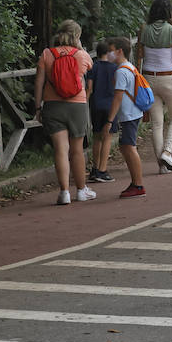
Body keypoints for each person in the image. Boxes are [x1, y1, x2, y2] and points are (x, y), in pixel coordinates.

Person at [34, 19, 96, 205]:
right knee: (77, 150)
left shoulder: (47, 54)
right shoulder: (82, 55)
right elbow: (90, 76)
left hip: (53, 105)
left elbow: (39, 82)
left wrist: (38, 107)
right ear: (77, 35)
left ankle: (64, 193)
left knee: (61, 150)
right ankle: (81, 190)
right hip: (77, 106)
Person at [136, 0, 172, 174]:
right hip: (169, 78)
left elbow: (139, 55)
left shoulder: (144, 30)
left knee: (156, 123)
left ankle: (161, 166)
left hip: (149, 78)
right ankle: (167, 152)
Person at [105, 36, 147, 198]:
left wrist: (110, 120)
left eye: (111, 50)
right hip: (133, 112)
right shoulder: (130, 67)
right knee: (125, 146)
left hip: (128, 115)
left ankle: (138, 184)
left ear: (119, 51)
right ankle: (135, 182)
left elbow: (118, 97)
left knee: (129, 147)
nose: (109, 54)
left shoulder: (122, 71)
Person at [86, 40, 118, 183]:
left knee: (97, 137)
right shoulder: (114, 68)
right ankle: (102, 170)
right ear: (108, 53)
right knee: (108, 137)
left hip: (96, 105)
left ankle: (94, 168)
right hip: (110, 105)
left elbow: (90, 88)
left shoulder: (93, 67)